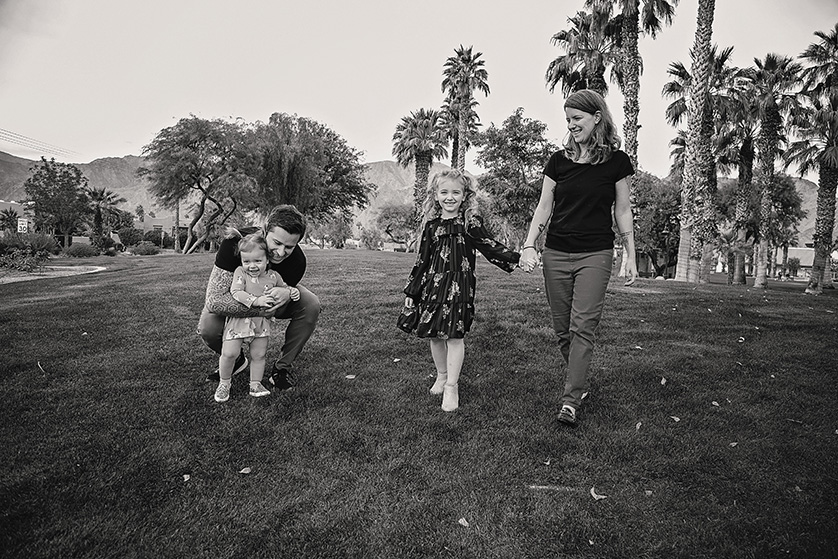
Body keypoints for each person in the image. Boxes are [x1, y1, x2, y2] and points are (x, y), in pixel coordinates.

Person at [519, 89, 638, 427]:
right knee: (562, 331)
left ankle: (571, 400)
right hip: (556, 252)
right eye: (567, 120)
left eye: (577, 119)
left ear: (597, 117)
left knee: (582, 326)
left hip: (596, 254)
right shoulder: (558, 161)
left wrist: (630, 253)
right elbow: (545, 206)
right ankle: (580, 382)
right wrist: (530, 244)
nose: (570, 125)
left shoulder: (617, 162)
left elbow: (623, 209)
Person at [398, 169, 520, 412]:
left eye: (456, 192)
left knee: (454, 335)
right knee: (434, 334)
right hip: (433, 286)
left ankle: (452, 386)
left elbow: (488, 245)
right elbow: (422, 261)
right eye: (444, 192)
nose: (450, 197)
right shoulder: (431, 226)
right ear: (435, 195)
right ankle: (442, 376)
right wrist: (412, 292)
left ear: (465, 196)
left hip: (460, 287)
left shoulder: (470, 223)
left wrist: (516, 258)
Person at [198, 205, 320, 392]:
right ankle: (237, 359)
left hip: (270, 297)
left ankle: (281, 369)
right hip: (238, 296)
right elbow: (214, 300)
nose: (280, 252)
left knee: (311, 303)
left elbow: (283, 296)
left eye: (289, 247)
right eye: (277, 243)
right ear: (265, 231)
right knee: (208, 327)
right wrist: (258, 306)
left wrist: (287, 293)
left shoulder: (297, 262)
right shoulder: (234, 244)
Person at [213, 229, 301, 402]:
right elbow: (236, 292)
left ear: (267, 260)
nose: (252, 266)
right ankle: (224, 383)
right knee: (229, 353)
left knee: (259, 355)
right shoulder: (241, 273)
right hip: (239, 322)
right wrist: (256, 301)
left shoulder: (274, 276)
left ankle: (255, 384)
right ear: (242, 261)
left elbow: (284, 287)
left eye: (258, 261)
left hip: (261, 323)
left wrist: (291, 291)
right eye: (247, 261)